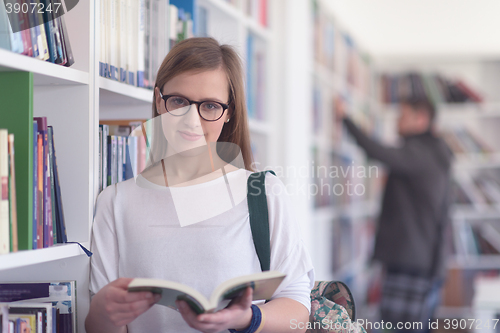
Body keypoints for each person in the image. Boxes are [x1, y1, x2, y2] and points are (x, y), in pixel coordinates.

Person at [85, 37, 315, 333]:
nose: (191, 121)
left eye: (209, 106)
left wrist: (246, 319)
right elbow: (102, 324)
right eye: (179, 101)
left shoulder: (262, 193)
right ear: (159, 100)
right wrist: (102, 315)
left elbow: (297, 308)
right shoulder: (115, 202)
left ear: (229, 112)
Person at [336, 96, 453, 332]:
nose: (396, 122)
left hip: (410, 261)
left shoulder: (419, 152)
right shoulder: (434, 152)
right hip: (422, 259)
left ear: (420, 119)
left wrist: (345, 117)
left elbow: (376, 150)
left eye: (402, 116)